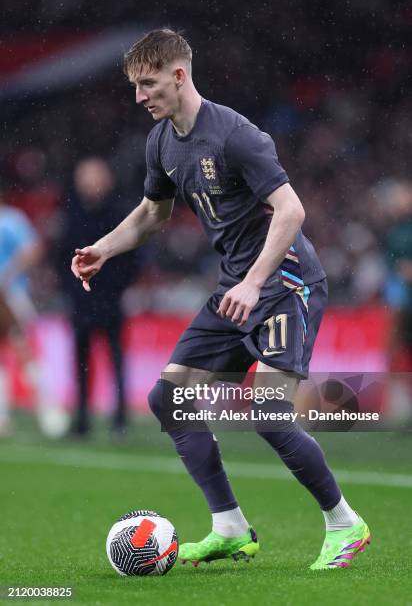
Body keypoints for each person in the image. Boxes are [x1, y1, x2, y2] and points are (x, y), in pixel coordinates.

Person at [71, 29, 370, 570]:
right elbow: (152, 214)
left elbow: (292, 211)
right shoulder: (161, 142)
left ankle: (345, 524)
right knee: (170, 400)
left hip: (285, 285)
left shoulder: (236, 135)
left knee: (269, 411)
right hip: (235, 289)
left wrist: (254, 281)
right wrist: (104, 249)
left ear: (179, 76)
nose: (139, 96)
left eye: (148, 83)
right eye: (135, 85)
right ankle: (230, 527)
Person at [61, 157, 136, 437]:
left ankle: (119, 421)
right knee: (80, 364)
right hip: (80, 303)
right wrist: (71, 290)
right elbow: (61, 257)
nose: (89, 183)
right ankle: (81, 420)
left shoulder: (119, 213)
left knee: (116, 362)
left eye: (94, 176)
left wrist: (116, 289)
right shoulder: (72, 212)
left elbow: (131, 258)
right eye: (84, 177)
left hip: (110, 301)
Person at [0, 186, 43, 436]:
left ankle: (47, 409)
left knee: (22, 349)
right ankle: (3, 417)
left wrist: (8, 276)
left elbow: (32, 250)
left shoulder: (11, 219)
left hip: (12, 294)